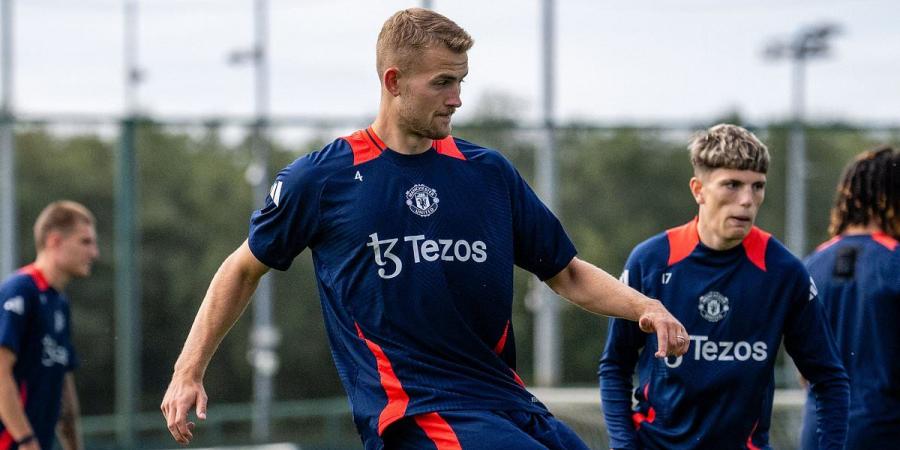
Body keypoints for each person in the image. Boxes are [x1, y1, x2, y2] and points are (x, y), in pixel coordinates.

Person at [161, 8, 688, 450]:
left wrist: (646, 305)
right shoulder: (323, 179)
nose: (457, 98)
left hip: (506, 401)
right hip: (415, 414)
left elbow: (566, 273)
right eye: (442, 82)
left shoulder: (487, 172)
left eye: (461, 81)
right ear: (393, 82)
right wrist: (189, 370)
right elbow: (242, 268)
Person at [599, 124, 850, 450]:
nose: (747, 200)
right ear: (698, 189)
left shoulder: (784, 272)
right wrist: (624, 447)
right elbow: (615, 366)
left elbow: (829, 378)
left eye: (757, 186)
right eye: (732, 185)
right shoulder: (651, 260)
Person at [799, 147, 899, 450]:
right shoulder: (894, 262)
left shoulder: (808, 265)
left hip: (819, 434)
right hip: (887, 432)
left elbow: (804, 369)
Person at [0, 201, 95, 450]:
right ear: (54, 240)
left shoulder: (59, 303)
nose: (94, 253)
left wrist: (73, 444)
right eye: (85, 242)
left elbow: (63, 380)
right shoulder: (20, 290)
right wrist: (26, 440)